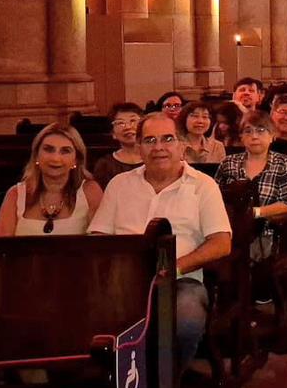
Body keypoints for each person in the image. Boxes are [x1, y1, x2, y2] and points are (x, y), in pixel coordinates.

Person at [91, 113, 232, 372]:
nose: (159, 147)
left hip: (180, 279)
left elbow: (221, 242)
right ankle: (121, 383)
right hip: (124, 278)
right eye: (149, 140)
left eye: (167, 139)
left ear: (181, 145)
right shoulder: (119, 185)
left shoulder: (203, 186)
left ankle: (165, 385)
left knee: (185, 318)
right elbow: (99, 236)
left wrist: (171, 269)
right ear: (140, 147)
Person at [216, 111, 287, 301]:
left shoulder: (282, 163)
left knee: (239, 251)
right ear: (241, 137)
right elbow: (214, 197)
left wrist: (254, 213)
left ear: (271, 136)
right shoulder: (229, 163)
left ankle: (235, 293)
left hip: (265, 229)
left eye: (261, 131)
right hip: (228, 227)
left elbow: (286, 204)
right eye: (248, 131)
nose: (254, 136)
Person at [0, 124, 103, 236]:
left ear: (76, 160)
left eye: (65, 151)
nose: (55, 158)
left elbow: (101, 246)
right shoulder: (15, 194)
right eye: (48, 150)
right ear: (36, 156)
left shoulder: (90, 191)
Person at [93, 102, 145, 186]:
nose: (128, 127)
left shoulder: (154, 157)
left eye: (133, 121)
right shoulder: (105, 165)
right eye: (121, 123)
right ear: (113, 133)